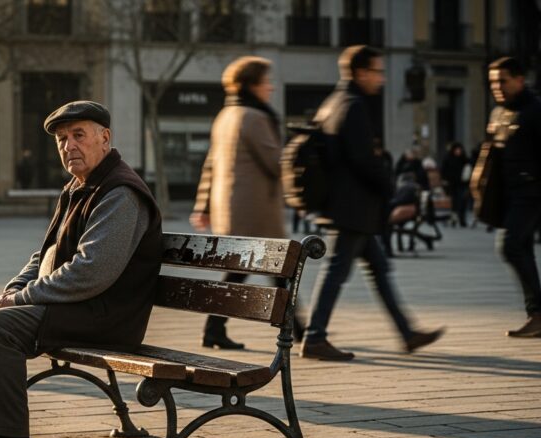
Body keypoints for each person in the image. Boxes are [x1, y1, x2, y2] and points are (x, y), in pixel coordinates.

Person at [0, 101, 162, 438]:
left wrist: (21, 299)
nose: (68, 146)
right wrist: (14, 288)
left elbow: (91, 272)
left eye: (78, 135)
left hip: (107, 315)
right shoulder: (79, 187)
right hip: (76, 306)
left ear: (105, 138)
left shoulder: (120, 192)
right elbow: (45, 254)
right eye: (62, 140)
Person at [300, 46, 444, 361]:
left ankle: (408, 333)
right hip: (353, 208)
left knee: (378, 269)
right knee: (337, 270)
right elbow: (363, 159)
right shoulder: (354, 106)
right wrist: (389, 188)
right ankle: (314, 337)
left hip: (347, 206)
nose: (382, 78)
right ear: (360, 72)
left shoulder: (331, 103)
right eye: (377, 71)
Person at [191, 56, 301, 349]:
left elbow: (210, 164)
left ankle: (217, 328)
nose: (271, 88)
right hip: (256, 209)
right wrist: (299, 151)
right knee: (278, 268)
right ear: (251, 85)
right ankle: (302, 330)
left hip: (233, 207)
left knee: (250, 270)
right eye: (266, 82)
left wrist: (202, 206)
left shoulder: (227, 115)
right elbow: (275, 163)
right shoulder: (255, 117)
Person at [487, 57, 541, 338]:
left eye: (502, 80)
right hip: (512, 195)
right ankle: (536, 314)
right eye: (493, 81)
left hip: (532, 193)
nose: (496, 86)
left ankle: (538, 313)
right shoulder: (500, 113)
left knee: (511, 246)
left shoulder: (535, 111)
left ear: (520, 79)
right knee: (520, 247)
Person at [441, 142, 469, 227]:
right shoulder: (448, 159)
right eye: (457, 150)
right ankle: (454, 218)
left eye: (459, 150)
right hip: (452, 184)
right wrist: (445, 180)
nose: (458, 151)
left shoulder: (464, 159)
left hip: (462, 183)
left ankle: (461, 219)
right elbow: (444, 170)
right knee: (454, 202)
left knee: (462, 201)